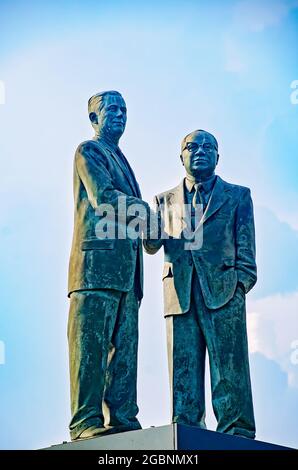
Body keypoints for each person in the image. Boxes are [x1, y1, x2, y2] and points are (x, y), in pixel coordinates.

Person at [144, 129, 257, 438]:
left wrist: (240, 284)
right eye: (192, 146)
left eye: (209, 147)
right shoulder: (164, 200)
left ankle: (238, 431)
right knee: (183, 370)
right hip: (179, 293)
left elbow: (246, 248)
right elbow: (151, 245)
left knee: (229, 371)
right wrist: (146, 221)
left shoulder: (238, 195)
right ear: (181, 156)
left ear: (218, 157)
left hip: (224, 291)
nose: (200, 151)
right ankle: (188, 430)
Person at [67, 90, 150, 441]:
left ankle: (122, 417)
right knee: (90, 351)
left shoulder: (121, 157)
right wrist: (152, 213)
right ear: (93, 119)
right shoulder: (90, 151)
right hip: (95, 270)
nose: (119, 114)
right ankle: (85, 421)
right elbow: (103, 198)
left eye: (124, 110)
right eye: (111, 109)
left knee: (124, 353)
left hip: (128, 276)